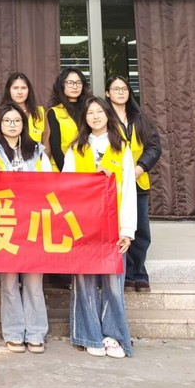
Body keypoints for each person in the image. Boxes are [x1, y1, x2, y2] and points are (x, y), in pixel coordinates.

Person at [62, 96, 137, 359]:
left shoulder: (121, 148)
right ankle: (89, 335)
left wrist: (127, 230)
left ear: (108, 115)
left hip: (113, 227)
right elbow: (66, 188)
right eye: (90, 113)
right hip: (83, 226)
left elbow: (129, 190)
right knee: (84, 281)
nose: (95, 116)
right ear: (84, 118)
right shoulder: (76, 149)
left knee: (113, 283)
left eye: (99, 112)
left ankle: (113, 336)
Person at [0, 103, 52, 354]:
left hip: (33, 222)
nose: (12, 125)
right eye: (7, 121)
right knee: (8, 282)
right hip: (4, 222)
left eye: (17, 121)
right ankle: (13, 332)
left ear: (23, 124)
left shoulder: (38, 151)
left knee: (34, 281)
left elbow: (50, 183)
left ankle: (36, 333)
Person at [105, 75, 162, 293]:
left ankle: (139, 273)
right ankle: (126, 274)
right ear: (107, 93)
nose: (120, 92)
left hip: (138, 182)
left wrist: (139, 169)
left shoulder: (139, 117)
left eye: (124, 89)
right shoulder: (104, 117)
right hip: (112, 185)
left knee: (141, 231)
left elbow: (154, 147)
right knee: (118, 229)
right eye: (116, 89)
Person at [47, 68, 89, 171]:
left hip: (87, 166)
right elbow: (55, 148)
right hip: (62, 168)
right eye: (70, 83)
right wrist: (67, 171)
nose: (75, 86)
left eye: (78, 82)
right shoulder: (54, 112)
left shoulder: (90, 110)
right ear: (62, 85)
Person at [0, 71, 48, 148]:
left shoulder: (39, 112)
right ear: (9, 90)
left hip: (36, 154)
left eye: (23, 88)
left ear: (29, 90)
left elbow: (46, 140)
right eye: (15, 88)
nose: (20, 92)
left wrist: (42, 155)